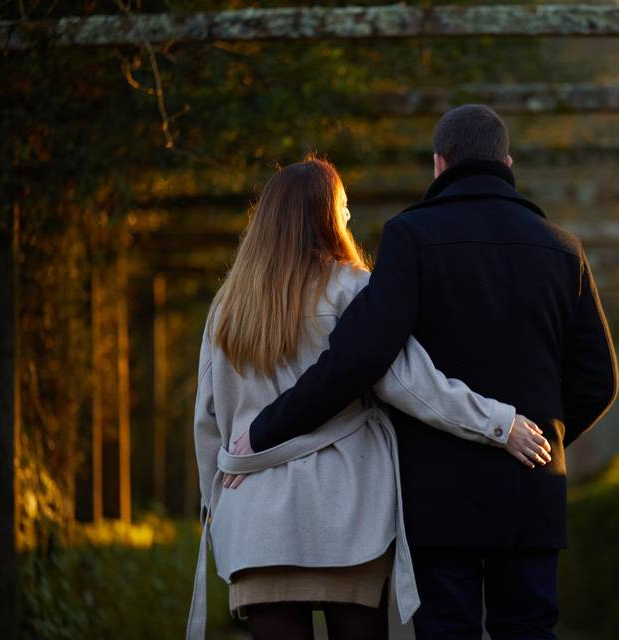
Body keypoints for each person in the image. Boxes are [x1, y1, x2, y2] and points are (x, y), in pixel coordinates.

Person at [247, 106, 619, 639]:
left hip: (438, 494)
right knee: (530, 629)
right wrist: (545, 438)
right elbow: (599, 380)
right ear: (507, 162)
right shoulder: (563, 250)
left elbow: (358, 357)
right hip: (531, 488)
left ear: (439, 165)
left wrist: (265, 429)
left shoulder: (412, 237)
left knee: (447, 630)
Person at [187, 156, 552, 640]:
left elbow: (206, 420)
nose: (349, 219)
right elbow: (409, 383)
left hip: (256, 515)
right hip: (348, 515)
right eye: (343, 207)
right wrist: (498, 423)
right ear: (323, 215)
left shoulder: (228, 304)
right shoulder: (353, 288)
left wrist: (214, 499)